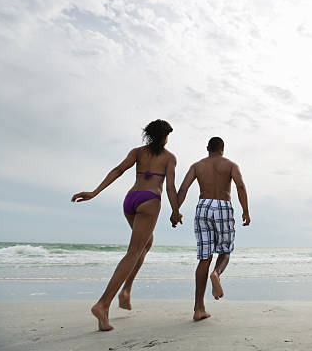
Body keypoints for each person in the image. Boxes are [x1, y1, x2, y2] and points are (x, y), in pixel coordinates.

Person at [71, 119, 180, 331]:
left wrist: (95, 192)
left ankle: (126, 292)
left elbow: (118, 170)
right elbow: (170, 187)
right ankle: (103, 304)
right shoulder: (169, 158)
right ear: (164, 137)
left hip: (130, 199)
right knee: (133, 252)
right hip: (149, 201)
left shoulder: (137, 152)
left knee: (146, 245)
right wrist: (175, 211)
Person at [172, 136, 250, 321]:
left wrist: (176, 211)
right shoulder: (230, 165)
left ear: (208, 148)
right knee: (225, 251)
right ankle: (216, 274)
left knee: (204, 257)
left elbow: (183, 188)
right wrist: (245, 211)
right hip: (223, 205)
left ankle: (198, 308)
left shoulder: (197, 166)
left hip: (203, 206)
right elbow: (240, 185)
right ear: (223, 148)